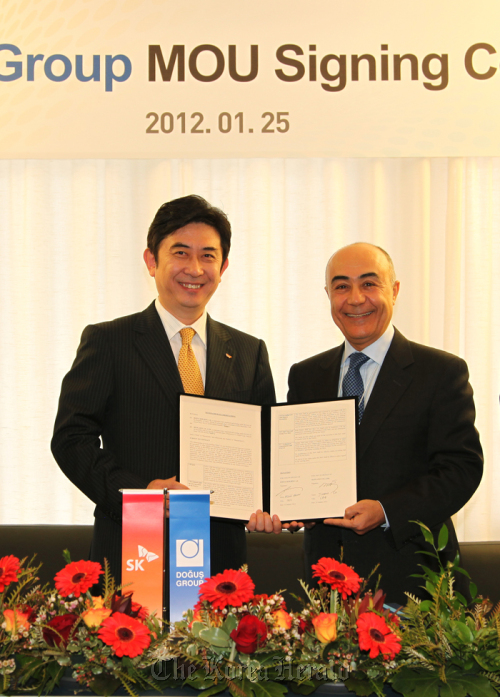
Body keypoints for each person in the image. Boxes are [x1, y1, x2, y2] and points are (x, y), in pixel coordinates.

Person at [51, 195, 279, 597]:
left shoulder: (249, 351)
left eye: (208, 256)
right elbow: (71, 439)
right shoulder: (109, 341)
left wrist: (275, 502)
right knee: (130, 659)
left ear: (223, 267)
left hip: (221, 562)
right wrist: (140, 494)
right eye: (180, 253)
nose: (195, 268)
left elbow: (268, 449)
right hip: (132, 551)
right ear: (151, 261)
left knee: (216, 660)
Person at [286, 242, 483, 605]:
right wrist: (290, 504)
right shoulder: (307, 375)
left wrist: (387, 510)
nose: (356, 298)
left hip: (413, 582)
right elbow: (295, 464)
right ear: (328, 295)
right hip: (326, 581)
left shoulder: (440, 372)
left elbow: (461, 469)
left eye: (369, 284)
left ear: (394, 290)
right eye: (342, 286)